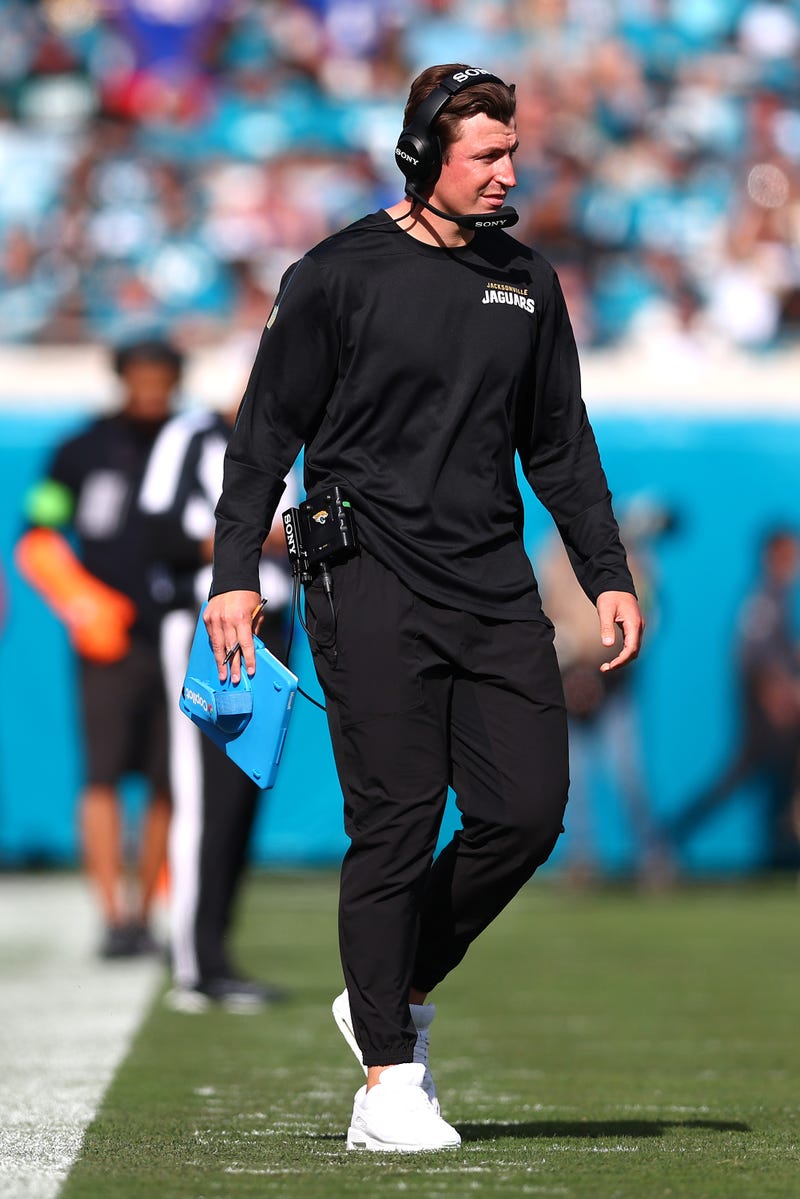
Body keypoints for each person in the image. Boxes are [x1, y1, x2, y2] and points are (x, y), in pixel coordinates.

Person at [202, 64, 644, 1152]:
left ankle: (385, 989)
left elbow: (559, 442)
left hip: (493, 586)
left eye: (510, 153)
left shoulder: (528, 283)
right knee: (395, 820)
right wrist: (230, 577)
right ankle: (388, 1080)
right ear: (419, 158)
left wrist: (605, 570)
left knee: (526, 812)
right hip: (367, 583)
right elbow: (263, 435)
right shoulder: (333, 275)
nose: (507, 173)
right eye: (484, 155)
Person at [16, 339, 181, 957]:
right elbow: (37, 536)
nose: (149, 389)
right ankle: (113, 915)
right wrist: (83, 603)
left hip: (178, 635)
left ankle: (152, 911)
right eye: (139, 377)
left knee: (171, 779)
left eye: (161, 378)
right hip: (107, 642)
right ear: (120, 380)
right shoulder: (79, 451)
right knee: (103, 775)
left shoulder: (192, 445)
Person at [139, 398, 296, 1011]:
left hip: (272, 627)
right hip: (208, 627)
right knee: (203, 794)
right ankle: (195, 963)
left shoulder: (293, 431)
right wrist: (251, 539)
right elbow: (157, 532)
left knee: (239, 791)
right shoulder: (193, 433)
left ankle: (217, 953)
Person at [667, 527, 800, 871]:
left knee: (780, 784)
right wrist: (777, 693)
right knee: (734, 782)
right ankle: (671, 835)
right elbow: (749, 658)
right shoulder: (762, 600)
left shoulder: (779, 599)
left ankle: (781, 854)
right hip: (763, 720)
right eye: (787, 554)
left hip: (778, 718)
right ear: (770, 557)